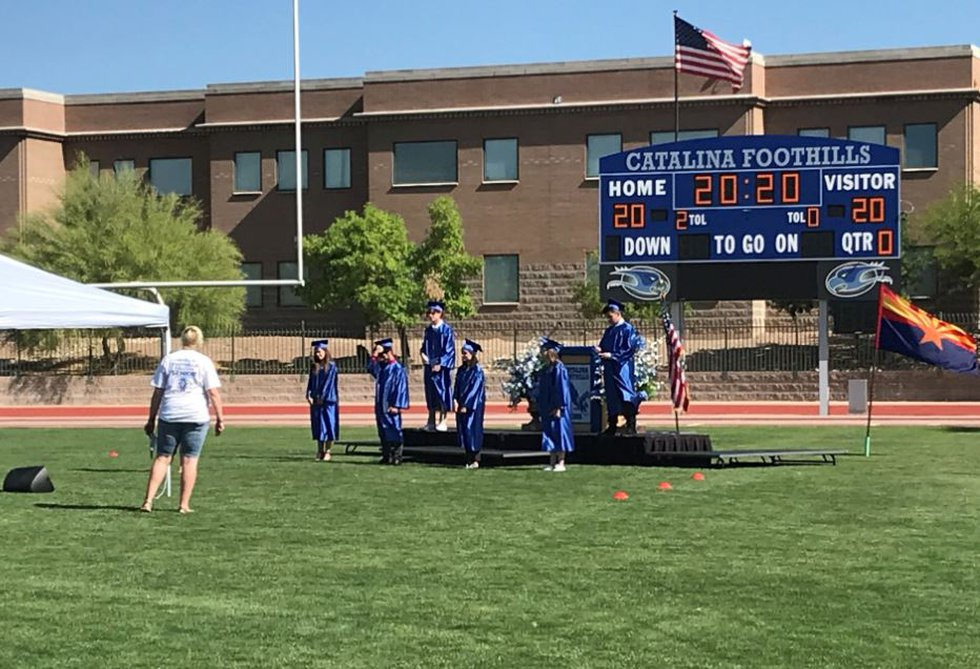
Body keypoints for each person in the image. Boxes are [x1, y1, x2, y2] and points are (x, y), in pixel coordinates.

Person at [141, 326, 224, 514]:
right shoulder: (203, 362)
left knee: (162, 457)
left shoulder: (169, 360)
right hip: (196, 415)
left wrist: (151, 418)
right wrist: (220, 418)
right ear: (199, 341)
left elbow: (158, 392)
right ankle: (183, 504)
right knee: (189, 460)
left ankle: (148, 501)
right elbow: (213, 392)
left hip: (170, 413)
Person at [595, 299, 642, 436]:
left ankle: (630, 425)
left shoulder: (628, 329)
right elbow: (603, 345)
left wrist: (612, 355)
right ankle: (612, 425)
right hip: (610, 368)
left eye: (610, 317)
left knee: (625, 394)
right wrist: (599, 349)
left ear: (617, 313)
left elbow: (629, 349)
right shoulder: (609, 330)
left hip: (622, 368)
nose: (608, 320)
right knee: (611, 396)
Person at [368, 338, 410, 465]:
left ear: (388, 353)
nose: (381, 358)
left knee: (394, 428)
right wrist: (374, 354)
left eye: (383, 355)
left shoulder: (398, 369)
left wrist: (397, 406)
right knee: (382, 429)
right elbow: (370, 368)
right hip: (381, 405)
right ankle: (386, 455)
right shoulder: (382, 368)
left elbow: (401, 389)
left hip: (392, 405)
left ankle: (397, 456)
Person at [538, 338, 574, 472]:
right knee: (550, 433)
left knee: (560, 433)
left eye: (544, 351)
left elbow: (562, 389)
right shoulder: (548, 368)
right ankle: (552, 462)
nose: (542, 354)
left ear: (550, 352)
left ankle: (561, 462)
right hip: (548, 406)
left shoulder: (560, 368)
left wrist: (560, 407)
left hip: (559, 407)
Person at [420, 300, 455, 432]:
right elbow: (424, 347)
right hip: (429, 367)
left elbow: (449, 350)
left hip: (441, 369)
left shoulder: (446, 330)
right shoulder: (428, 331)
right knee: (430, 393)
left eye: (433, 312)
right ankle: (431, 420)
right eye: (429, 312)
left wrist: (441, 363)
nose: (430, 315)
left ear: (440, 313)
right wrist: (423, 355)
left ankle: (443, 420)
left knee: (442, 392)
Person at [453, 339, 486, 470]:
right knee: (464, 431)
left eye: (465, 353)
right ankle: (468, 458)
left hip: (474, 406)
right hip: (461, 406)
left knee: (473, 430)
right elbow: (456, 387)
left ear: (472, 354)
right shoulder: (461, 370)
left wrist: (466, 404)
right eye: (462, 353)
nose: (463, 356)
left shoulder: (477, 371)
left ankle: (476, 459)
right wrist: (455, 400)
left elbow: (475, 390)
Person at [306, 339, 339, 461]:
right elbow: (310, 382)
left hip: (328, 401)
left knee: (329, 425)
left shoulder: (331, 366)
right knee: (319, 426)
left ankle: (328, 451)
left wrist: (322, 397)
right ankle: (320, 451)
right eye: (316, 352)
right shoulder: (314, 366)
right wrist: (308, 394)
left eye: (319, 351)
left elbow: (329, 384)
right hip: (316, 401)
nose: (317, 354)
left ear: (325, 351)